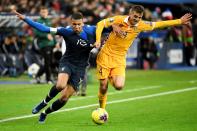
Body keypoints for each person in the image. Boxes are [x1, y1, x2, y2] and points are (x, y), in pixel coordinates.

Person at [13, 10, 106, 123]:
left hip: (80, 68)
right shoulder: (66, 31)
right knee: (61, 85)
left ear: (83, 23)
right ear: (71, 23)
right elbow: (44, 29)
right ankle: (43, 102)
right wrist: (25, 19)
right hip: (67, 62)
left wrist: (118, 28)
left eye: (79, 24)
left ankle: (44, 113)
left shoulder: (92, 30)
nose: (76, 27)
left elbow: (110, 26)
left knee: (64, 98)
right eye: (74, 24)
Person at [94, 5, 192, 109]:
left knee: (119, 86)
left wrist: (179, 21)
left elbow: (159, 24)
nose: (137, 19)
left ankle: (109, 76)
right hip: (105, 55)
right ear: (130, 14)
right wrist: (98, 40)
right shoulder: (119, 19)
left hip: (120, 58)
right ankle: (102, 109)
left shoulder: (141, 25)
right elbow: (100, 23)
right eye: (135, 16)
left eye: (139, 17)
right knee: (103, 87)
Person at [34, 7, 55, 84]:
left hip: (51, 44)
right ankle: (48, 79)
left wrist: (55, 43)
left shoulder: (49, 21)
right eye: (42, 12)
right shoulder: (39, 22)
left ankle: (38, 75)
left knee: (50, 62)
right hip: (44, 44)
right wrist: (46, 36)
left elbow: (53, 32)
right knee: (47, 62)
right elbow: (37, 33)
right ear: (40, 13)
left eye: (45, 12)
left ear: (47, 13)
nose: (44, 13)